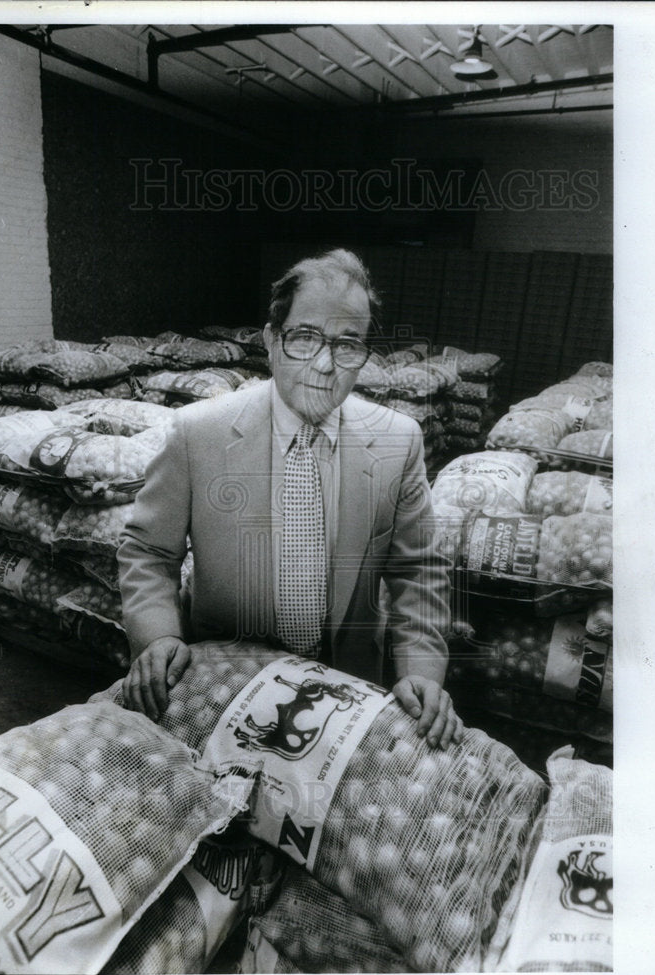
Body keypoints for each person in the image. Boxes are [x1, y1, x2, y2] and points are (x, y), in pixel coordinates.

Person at [117, 248, 462, 749]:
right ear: (271, 341)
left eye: (348, 345)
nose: (325, 365)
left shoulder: (397, 440)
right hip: (221, 683)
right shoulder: (200, 434)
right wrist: (159, 638)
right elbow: (149, 551)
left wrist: (421, 671)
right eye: (305, 338)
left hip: (346, 693)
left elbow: (419, 571)